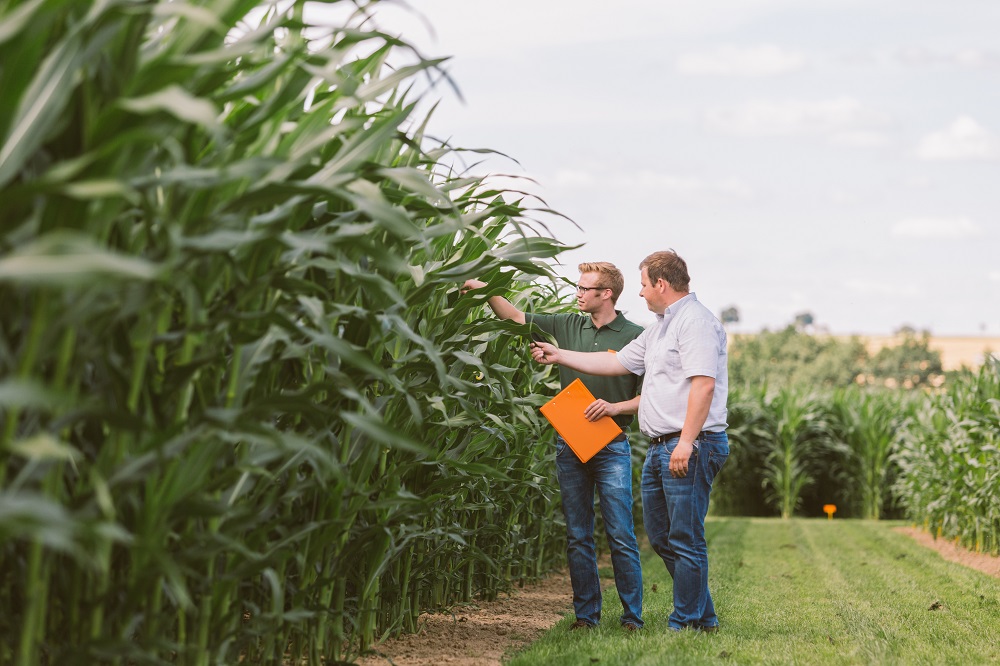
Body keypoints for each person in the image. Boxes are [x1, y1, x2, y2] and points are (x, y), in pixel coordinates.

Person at [530, 250, 729, 633]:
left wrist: (687, 442)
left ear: (661, 284)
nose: (638, 293)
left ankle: (685, 623)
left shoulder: (695, 323)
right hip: (660, 445)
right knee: (661, 536)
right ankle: (703, 618)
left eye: (641, 284)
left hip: (689, 443)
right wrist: (559, 355)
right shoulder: (659, 327)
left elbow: (703, 385)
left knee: (685, 537)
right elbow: (617, 363)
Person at [462, 262, 645, 632]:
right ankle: (586, 617)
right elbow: (514, 315)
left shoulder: (635, 335)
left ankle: (632, 618)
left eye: (584, 288)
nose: (577, 293)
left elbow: (652, 395)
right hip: (570, 442)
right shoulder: (567, 323)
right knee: (578, 535)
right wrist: (482, 287)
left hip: (612, 444)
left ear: (605, 293)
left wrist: (615, 408)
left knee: (620, 533)